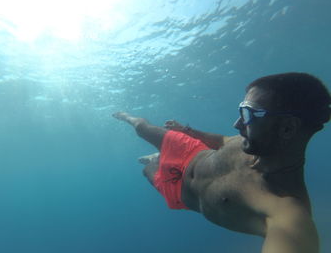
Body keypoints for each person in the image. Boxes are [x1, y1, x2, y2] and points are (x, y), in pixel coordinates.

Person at [113, 72, 331, 253]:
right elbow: (222, 141)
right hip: (190, 150)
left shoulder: (288, 214)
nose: (236, 124)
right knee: (142, 128)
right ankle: (126, 116)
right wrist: (188, 131)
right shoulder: (249, 142)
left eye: (247, 114)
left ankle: (155, 160)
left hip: (178, 188)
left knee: (148, 171)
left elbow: (293, 240)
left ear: (287, 128)